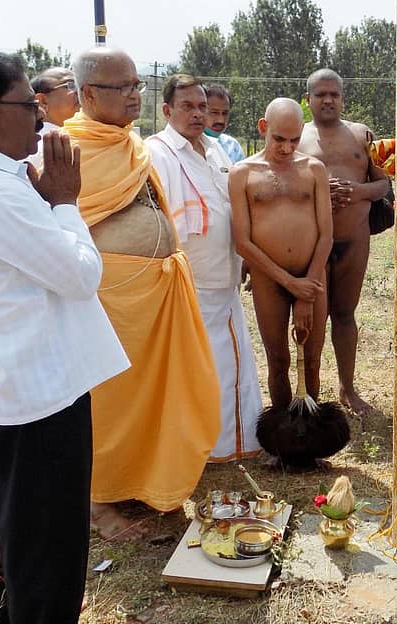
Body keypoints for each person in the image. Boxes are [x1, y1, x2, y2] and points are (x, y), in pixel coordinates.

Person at [0, 51, 129, 624]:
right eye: (31, 106)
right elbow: (79, 276)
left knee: (13, 522)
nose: (44, 123)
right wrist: (66, 200)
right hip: (41, 389)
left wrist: (46, 198)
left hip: (16, 379)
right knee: (48, 534)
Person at [65, 48, 221, 540]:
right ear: (89, 94)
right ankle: (100, 501)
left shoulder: (130, 145)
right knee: (110, 401)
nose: (137, 94)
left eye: (138, 85)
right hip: (110, 299)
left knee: (157, 396)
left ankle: (150, 485)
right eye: (124, 87)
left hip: (158, 294)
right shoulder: (67, 148)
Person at [147, 74, 263, 463]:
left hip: (225, 273)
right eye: (187, 107)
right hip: (188, 280)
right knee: (199, 366)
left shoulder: (216, 150)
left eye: (201, 106)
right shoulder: (157, 152)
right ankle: (200, 446)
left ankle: (231, 442)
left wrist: (244, 252)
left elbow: (232, 205)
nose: (197, 114)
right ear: (166, 111)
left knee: (230, 361)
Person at [229, 98, 333, 414]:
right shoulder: (242, 174)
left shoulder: (314, 169)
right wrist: (290, 283)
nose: (286, 148)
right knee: (278, 359)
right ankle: (284, 437)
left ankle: (309, 436)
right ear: (264, 128)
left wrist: (307, 291)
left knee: (313, 359)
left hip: (312, 276)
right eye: (279, 139)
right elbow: (243, 243)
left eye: (294, 140)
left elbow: (326, 234)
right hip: (268, 280)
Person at [298, 68, 390, 414]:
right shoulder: (298, 136)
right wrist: (318, 193)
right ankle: (309, 388)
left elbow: (383, 186)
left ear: (343, 98)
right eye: (320, 94)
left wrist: (355, 192)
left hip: (354, 239)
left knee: (345, 314)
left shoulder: (362, 136)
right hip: (311, 243)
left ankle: (347, 387)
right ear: (307, 100)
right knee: (312, 319)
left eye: (334, 94)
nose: (327, 100)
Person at [28, 67, 80, 170]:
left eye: (80, 85)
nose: (80, 91)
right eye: (72, 85)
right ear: (43, 101)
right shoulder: (37, 149)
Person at [204, 83, 246, 163]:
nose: (221, 120)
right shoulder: (190, 145)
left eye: (225, 113)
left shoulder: (232, 146)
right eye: (214, 112)